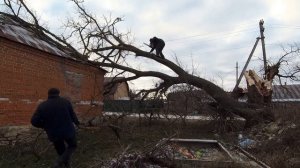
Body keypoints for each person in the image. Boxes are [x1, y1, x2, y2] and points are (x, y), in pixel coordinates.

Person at [31, 88, 80, 168]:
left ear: (48, 94)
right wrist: (77, 123)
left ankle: (65, 165)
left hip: (53, 133)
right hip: (67, 131)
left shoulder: (42, 105)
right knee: (72, 145)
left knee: (61, 151)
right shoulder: (65, 102)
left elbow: (33, 121)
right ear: (58, 93)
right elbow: (72, 114)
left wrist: (44, 125)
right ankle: (58, 162)